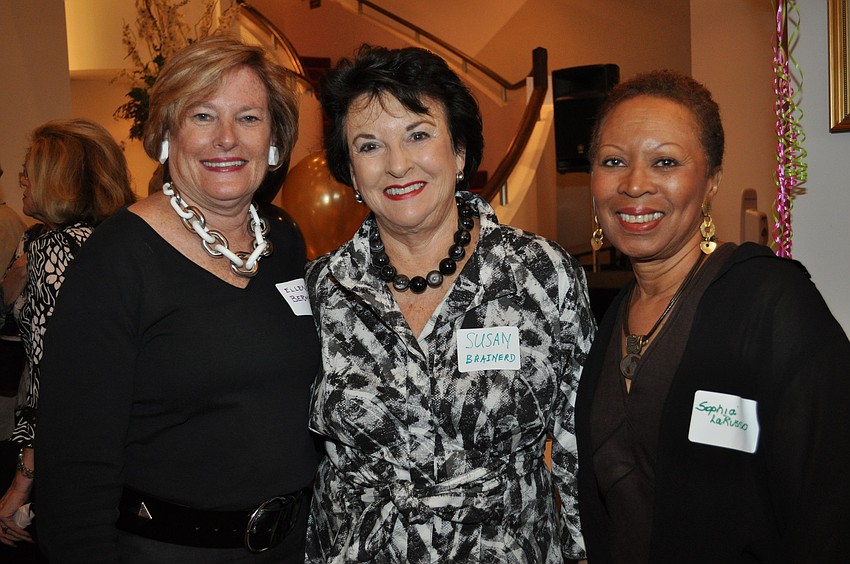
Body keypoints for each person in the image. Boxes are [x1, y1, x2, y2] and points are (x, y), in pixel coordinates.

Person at [306, 44, 596, 563]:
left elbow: (579, 449)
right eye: (369, 146)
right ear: (350, 172)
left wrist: (579, 551)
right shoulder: (323, 292)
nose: (397, 165)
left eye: (418, 135)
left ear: (459, 151)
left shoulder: (540, 275)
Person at [36, 36, 321, 562]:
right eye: (203, 115)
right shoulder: (117, 260)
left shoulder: (285, 242)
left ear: (275, 139)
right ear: (167, 133)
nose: (227, 139)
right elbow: (75, 465)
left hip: (293, 547)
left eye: (250, 118)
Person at [575, 69, 850, 563]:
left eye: (665, 162)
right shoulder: (610, 316)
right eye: (613, 161)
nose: (635, 184)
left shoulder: (770, 302)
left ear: (711, 182)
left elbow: (831, 500)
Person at [0, 118, 136, 555]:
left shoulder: (53, 248)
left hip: (67, 454)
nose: (21, 178)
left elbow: (54, 377)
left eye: (30, 168)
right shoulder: (119, 237)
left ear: (59, 179)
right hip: (125, 444)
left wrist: (23, 479)